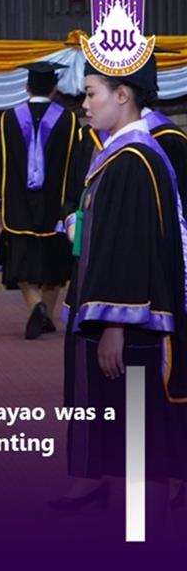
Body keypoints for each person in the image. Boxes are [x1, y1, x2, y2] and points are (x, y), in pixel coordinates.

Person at [53, 57, 187, 532]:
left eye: (92, 93)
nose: (85, 103)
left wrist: (114, 326)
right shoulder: (122, 153)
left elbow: (130, 250)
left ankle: (143, 542)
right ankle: (138, 537)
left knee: (140, 440)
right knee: (130, 437)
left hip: (133, 332)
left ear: (123, 95)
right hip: (127, 327)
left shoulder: (134, 160)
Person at [0, 61, 78, 339]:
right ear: (55, 89)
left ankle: (37, 308)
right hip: (55, 211)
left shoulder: (8, 119)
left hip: (18, 210)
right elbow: (78, 166)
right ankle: (46, 316)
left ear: (27, 86)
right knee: (54, 267)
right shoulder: (70, 120)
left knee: (21, 267)